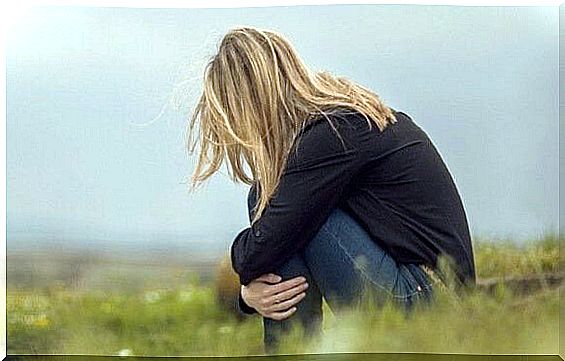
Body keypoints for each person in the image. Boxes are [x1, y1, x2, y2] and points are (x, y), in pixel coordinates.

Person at [187, 26, 476, 354]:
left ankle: (292, 352)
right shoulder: (337, 123)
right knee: (280, 208)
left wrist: (245, 285)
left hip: (427, 299)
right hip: (425, 291)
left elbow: (259, 253)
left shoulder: (333, 133)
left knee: (273, 205)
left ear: (252, 101)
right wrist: (248, 293)